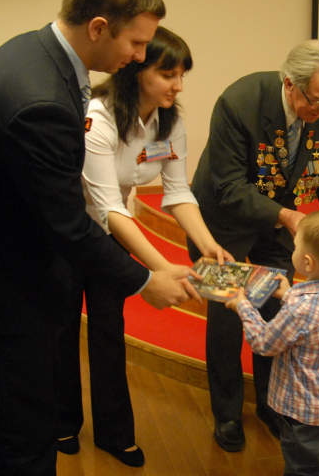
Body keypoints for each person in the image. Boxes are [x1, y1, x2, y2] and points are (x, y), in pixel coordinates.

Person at [0, 0, 200, 476]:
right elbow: (69, 224)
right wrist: (145, 281)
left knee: (33, 407)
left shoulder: (36, 49)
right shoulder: (41, 99)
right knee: (29, 428)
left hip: (3, 255)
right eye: (136, 44)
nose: (139, 57)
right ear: (98, 27)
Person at [55, 27, 232, 467]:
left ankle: (115, 433)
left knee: (109, 330)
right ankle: (60, 423)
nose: (178, 85)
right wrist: (157, 269)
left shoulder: (168, 122)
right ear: (136, 73)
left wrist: (207, 245)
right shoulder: (99, 117)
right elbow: (107, 205)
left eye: (181, 75)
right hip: (65, 230)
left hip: (111, 227)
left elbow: (178, 193)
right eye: (167, 74)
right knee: (60, 328)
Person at [188, 40, 319, 452]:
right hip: (221, 221)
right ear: (291, 85)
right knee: (228, 317)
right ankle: (227, 413)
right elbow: (229, 185)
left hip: (278, 222)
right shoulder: (240, 102)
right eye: (318, 101)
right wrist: (287, 216)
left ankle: (272, 404)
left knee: (278, 307)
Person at [225, 210, 319, 475]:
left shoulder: (299, 310)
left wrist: (243, 305)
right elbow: (315, 320)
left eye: (296, 245)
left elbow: (264, 343)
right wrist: (288, 294)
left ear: (308, 263)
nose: (293, 249)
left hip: (305, 415)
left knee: (303, 469)